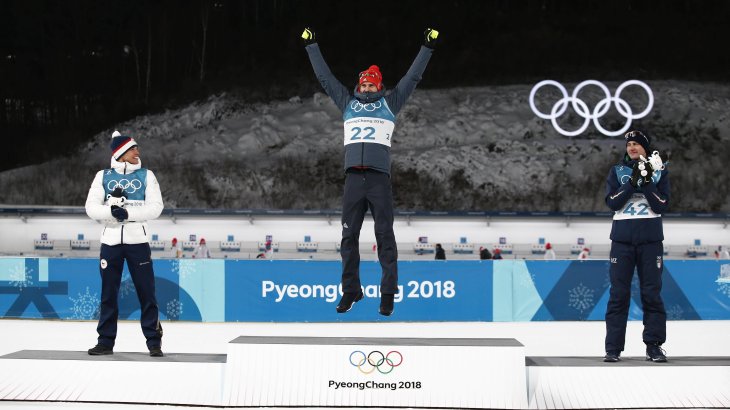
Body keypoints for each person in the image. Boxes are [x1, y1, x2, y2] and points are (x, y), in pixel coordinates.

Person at [302, 27, 439, 316]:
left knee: (384, 236)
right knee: (348, 238)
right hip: (353, 179)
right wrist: (312, 45)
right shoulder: (347, 104)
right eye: (363, 85)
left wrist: (427, 47)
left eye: (371, 85)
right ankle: (351, 291)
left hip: (378, 180)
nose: (366, 89)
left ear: (379, 87)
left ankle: (388, 293)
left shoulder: (390, 104)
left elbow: (412, 78)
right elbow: (326, 79)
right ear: (358, 86)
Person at [85, 130, 164, 357]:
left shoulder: (147, 175)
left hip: (138, 242)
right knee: (108, 294)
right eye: (132, 148)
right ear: (121, 153)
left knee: (146, 292)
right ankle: (105, 342)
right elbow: (91, 207)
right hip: (110, 242)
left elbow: (156, 207)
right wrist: (112, 210)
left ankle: (153, 342)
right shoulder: (103, 176)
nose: (137, 151)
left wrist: (126, 213)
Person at [603, 130, 670, 363]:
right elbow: (612, 202)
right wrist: (632, 183)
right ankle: (613, 348)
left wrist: (649, 181)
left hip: (651, 243)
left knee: (651, 294)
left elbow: (661, 205)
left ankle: (653, 346)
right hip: (621, 242)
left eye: (636, 144)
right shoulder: (617, 171)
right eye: (629, 144)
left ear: (645, 148)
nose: (631, 147)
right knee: (618, 295)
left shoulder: (660, 171)